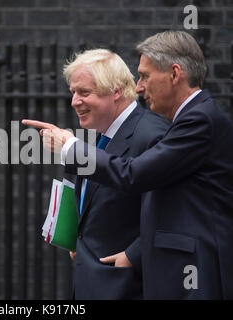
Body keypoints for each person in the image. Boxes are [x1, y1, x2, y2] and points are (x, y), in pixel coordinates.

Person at [23, 31, 233, 299]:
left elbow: (135, 176)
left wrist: (69, 147)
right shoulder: (188, 120)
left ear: (174, 73)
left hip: (185, 276)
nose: (140, 86)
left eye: (145, 76)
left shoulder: (195, 121)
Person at [24, 48, 170, 299]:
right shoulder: (105, 135)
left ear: (115, 91)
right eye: (73, 93)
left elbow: (173, 209)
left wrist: (133, 256)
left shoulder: (151, 133)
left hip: (128, 286)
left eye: (84, 92)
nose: (74, 101)